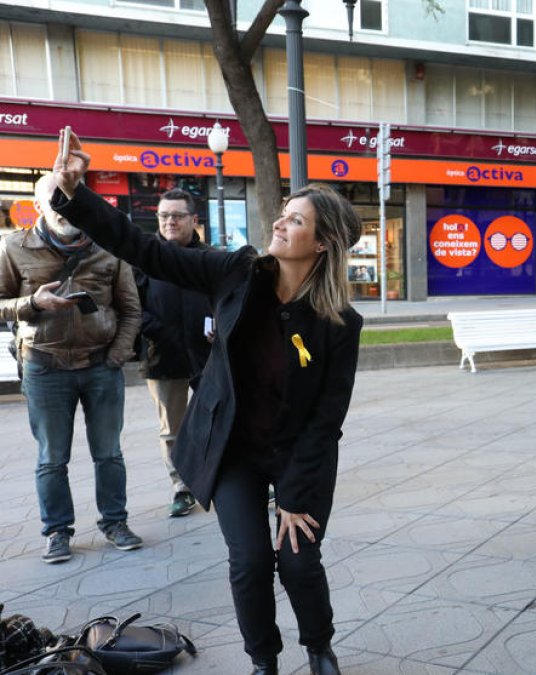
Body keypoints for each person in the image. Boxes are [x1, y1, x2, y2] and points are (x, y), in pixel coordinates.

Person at [51, 128, 363, 675]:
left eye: (295, 220)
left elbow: (327, 417)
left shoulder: (340, 322)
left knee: (298, 561)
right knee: (248, 563)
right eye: (283, 213)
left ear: (321, 243)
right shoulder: (236, 272)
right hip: (234, 449)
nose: (279, 222)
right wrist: (75, 195)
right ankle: (263, 660)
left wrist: (293, 494)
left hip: (298, 456)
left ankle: (319, 648)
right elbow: (143, 248)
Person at [0, 174, 142, 564]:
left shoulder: (109, 247)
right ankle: (57, 531)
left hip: (101, 365)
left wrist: (117, 356)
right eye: (53, 199)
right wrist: (32, 303)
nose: (62, 206)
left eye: (68, 198)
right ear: (38, 205)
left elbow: (130, 309)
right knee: (52, 457)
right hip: (45, 366)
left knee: (109, 453)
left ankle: (115, 522)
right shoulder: (14, 246)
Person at [140, 188, 212, 518]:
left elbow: (226, 300)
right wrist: (158, 331)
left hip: (209, 355)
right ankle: (181, 487)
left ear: (193, 219)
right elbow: (131, 306)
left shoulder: (209, 258)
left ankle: (231, 477)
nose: (170, 221)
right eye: (164, 215)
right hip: (163, 356)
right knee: (172, 429)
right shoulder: (145, 257)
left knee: (222, 417)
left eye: (177, 216)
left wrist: (218, 322)